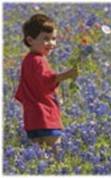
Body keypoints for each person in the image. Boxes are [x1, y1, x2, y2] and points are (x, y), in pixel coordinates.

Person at [14, 13, 79, 147]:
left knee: (38, 155)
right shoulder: (39, 60)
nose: (51, 43)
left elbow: (24, 88)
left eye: (53, 39)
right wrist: (67, 75)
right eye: (46, 39)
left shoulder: (27, 60)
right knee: (55, 151)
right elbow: (46, 81)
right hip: (46, 115)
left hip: (31, 117)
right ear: (30, 40)